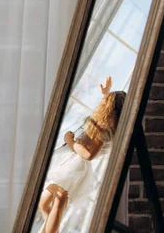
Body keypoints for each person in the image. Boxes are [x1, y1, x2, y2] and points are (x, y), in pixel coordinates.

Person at [39, 76, 126, 233]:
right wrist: (106, 93)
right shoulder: (107, 124)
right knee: (45, 203)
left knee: (58, 203)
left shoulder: (106, 130)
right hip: (69, 161)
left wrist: (69, 140)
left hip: (75, 166)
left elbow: (88, 155)